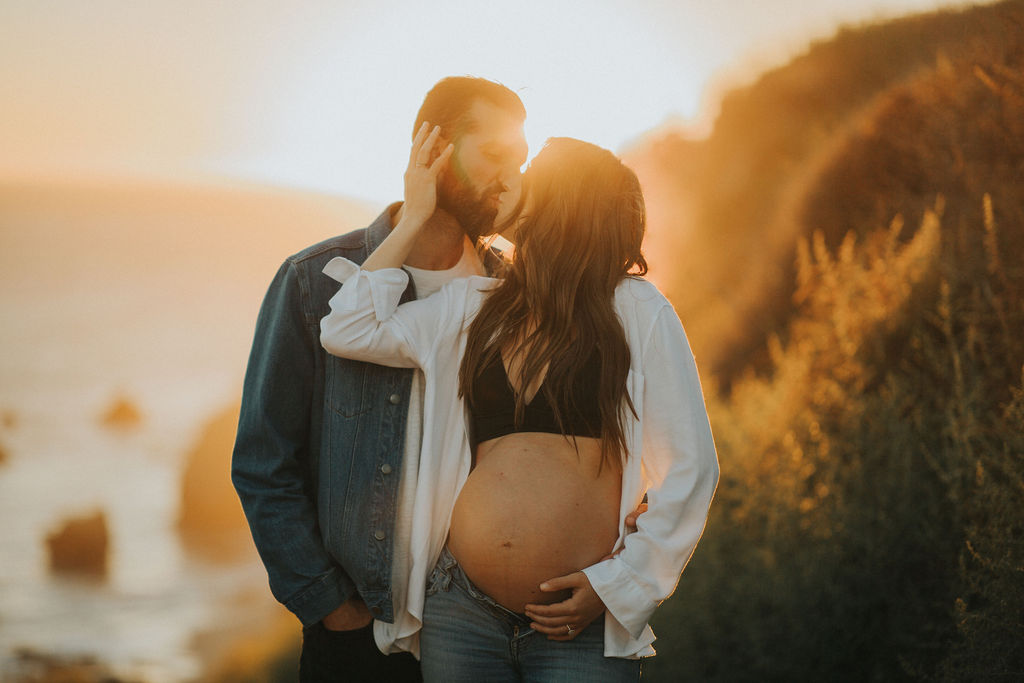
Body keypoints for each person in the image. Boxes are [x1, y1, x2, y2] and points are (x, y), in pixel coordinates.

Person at [319, 131, 720, 681]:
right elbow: (349, 329)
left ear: (566, 205)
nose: (511, 186)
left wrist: (618, 586)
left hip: (576, 625)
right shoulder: (472, 306)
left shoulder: (635, 309)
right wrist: (413, 217)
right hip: (460, 610)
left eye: (530, 182)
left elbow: (692, 467)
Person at [231, 76, 528, 682]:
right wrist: (331, 608)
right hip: (359, 633)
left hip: (484, 630)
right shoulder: (315, 282)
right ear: (433, 146)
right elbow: (264, 462)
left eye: (519, 163)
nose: (508, 178)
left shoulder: (516, 294)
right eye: (495, 157)